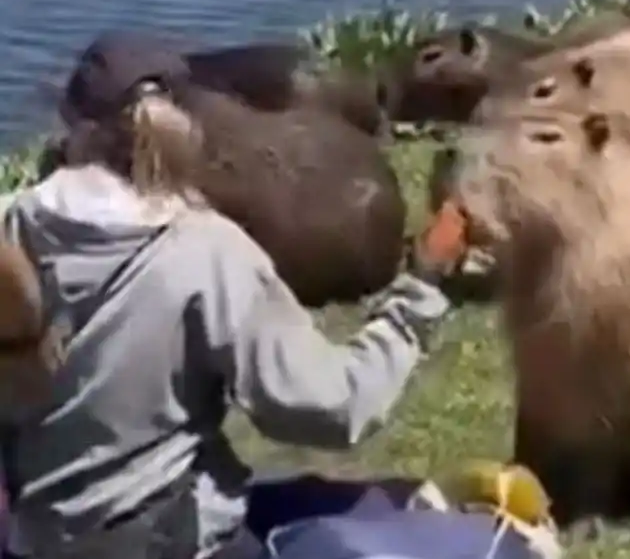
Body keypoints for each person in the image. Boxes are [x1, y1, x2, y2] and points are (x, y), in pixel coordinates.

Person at [0, 32, 471, 559]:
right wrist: (422, 288)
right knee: (390, 513)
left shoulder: (8, 225)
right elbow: (332, 408)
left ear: (70, 122)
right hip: (168, 542)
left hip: (35, 539)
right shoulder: (206, 251)